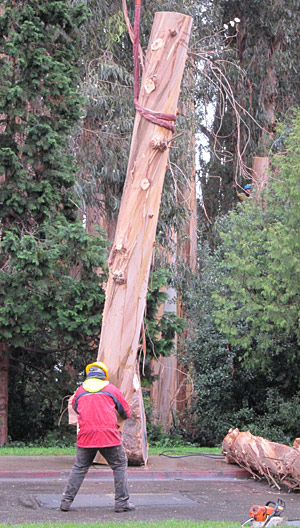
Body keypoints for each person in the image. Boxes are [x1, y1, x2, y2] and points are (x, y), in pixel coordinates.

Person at [60, 361, 135, 513]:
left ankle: (65, 502)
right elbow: (126, 412)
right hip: (108, 436)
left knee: (79, 468)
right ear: (104, 376)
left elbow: (75, 407)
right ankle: (121, 503)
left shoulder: (80, 391)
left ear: (88, 376)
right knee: (119, 465)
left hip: (86, 436)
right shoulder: (111, 389)